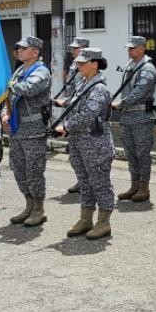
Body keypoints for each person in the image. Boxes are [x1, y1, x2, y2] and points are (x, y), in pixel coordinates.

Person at [56, 47, 116, 239]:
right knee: (84, 181)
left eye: (82, 62)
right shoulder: (83, 83)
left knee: (100, 183)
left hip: (96, 143)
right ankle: (85, 218)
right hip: (79, 142)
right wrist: (59, 102)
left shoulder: (99, 89)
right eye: (78, 62)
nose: (78, 65)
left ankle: (104, 222)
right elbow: (74, 103)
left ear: (94, 64)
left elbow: (87, 115)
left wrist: (66, 126)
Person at [4, 36, 52, 227]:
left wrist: (6, 84)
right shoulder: (18, 72)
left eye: (24, 48)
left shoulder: (40, 72)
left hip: (34, 130)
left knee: (34, 170)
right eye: (19, 48)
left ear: (35, 52)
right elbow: (7, 96)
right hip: (17, 129)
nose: (20, 51)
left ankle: (38, 209)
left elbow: (29, 89)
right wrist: (3, 115)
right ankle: (29, 204)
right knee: (18, 169)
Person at [114, 35, 156, 203]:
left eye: (133, 47)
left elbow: (140, 92)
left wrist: (121, 103)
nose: (129, 50)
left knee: (142, 153)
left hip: (142, 118)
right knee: (131, 153)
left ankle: (144, 187)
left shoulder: (147, 69)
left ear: (142, 48)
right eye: (129, 47)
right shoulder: (129, 66)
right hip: (127, 118)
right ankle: (134, 184)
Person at [54, 37, 89, 194]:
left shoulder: (87, 67)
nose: (73, 50)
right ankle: (81, 180)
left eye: (76, 48)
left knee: (85, 151)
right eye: (73, 48)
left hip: (81, 113)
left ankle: (88, 181)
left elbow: (82, 93)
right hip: (72, 110)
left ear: (84, 49)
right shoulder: (74, 65)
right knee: (74, 152)